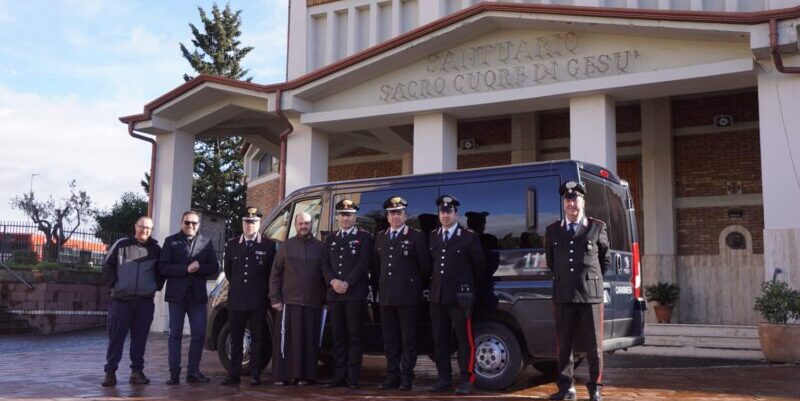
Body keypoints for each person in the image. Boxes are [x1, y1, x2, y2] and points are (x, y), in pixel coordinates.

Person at [545, 181, 610, 401]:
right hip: (563, 294)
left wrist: (589, 280)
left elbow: (604, 261)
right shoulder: (553, 230)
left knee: (594, 346)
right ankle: (566, 388)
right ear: (563, 203)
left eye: (575, 199)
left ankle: (595, 389)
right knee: (564, 346)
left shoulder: (597, 227)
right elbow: (552, 262)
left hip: (590, 295)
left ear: (583, 201)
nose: (571, 203)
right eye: (567, 199)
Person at [428, 195, 486, 395]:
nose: (445, 215)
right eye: (442, 212)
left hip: (460, 298)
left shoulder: (468, 236)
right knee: (440, 339)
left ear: (456, 213)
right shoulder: (434, 235)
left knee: (464, 339)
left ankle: (467, 379)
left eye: (448, 212)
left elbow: (479, 267)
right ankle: (443, 378)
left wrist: (468, 289)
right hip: (438, 297)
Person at [371, 196, 431, 391]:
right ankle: (392, 376)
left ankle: (406, 378)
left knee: (408, 340)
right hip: (386, 298)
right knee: (390, 341)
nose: (395, 216)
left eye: (398, 213)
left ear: (405, 215)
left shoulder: (416, 237)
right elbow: (376, 266)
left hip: (408, 298)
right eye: (391, 213)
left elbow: (424, 268)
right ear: (387, 217)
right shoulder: (380, 237)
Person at [101, 216, 163, 387]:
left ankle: (136, 372)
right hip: (121, 301)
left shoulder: (156, 249)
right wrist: (114, 285)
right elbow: (107, 265)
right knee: (116, 338)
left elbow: (161, 271)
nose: (145, 230)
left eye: (149, 228)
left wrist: (155, 286)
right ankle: (110, 372)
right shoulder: (121, 245)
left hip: (144, 302)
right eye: (142, 226)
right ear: (135, 226)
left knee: (140, 339)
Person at [159, 210, 220, 385]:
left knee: (199, 335)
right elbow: (163, 267)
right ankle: (174, 373)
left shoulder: (206, 242)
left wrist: (199, 267)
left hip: (197, 297)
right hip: (177, 297)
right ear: (181, 223)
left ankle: (193, 371)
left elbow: (214, 267)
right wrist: (185, 269)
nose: (190, 226)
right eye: (187, 222)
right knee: (175, 335)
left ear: (198, 225)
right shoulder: (171, 241)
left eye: (194, 223)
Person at [269, 212, 326, 386]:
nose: (304, 226)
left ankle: (306, 376)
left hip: (313, 302)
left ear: (312, 225)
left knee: (309, 342)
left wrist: (326, 300)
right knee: (287, 342)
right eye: (301, 223)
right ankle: (284, 376)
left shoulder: (320, 247)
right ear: (295, 225)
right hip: (289, 302)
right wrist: (275, 298)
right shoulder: (286, 246)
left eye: (307, 223)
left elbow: (325, 274)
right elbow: (275, 274)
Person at [221, 207, 277, 386]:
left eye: (253, 222)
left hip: (258, 300)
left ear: (259, 223)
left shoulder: (268, 245)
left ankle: (255, 374)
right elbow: (229, 272)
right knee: (236, 339)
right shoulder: (232, 244)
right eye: (247, 221)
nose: (249, 225)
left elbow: (271, 273)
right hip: (236, 299)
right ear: (242, 223)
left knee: (258, 339)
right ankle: (233, 374)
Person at [321, 199, 373, 389]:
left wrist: (347, 282)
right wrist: (333, 281)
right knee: (338, 337)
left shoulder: (364, 237)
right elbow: (324, 263)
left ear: (355, 217)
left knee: (354, 337)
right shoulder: (331, 238)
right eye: (342, 214)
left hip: (354, 295)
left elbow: (363, 263)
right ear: (337, 217)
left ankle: (353, 379)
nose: (345, 217)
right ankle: (338, 377)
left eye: (349, 214)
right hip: (335, 295)